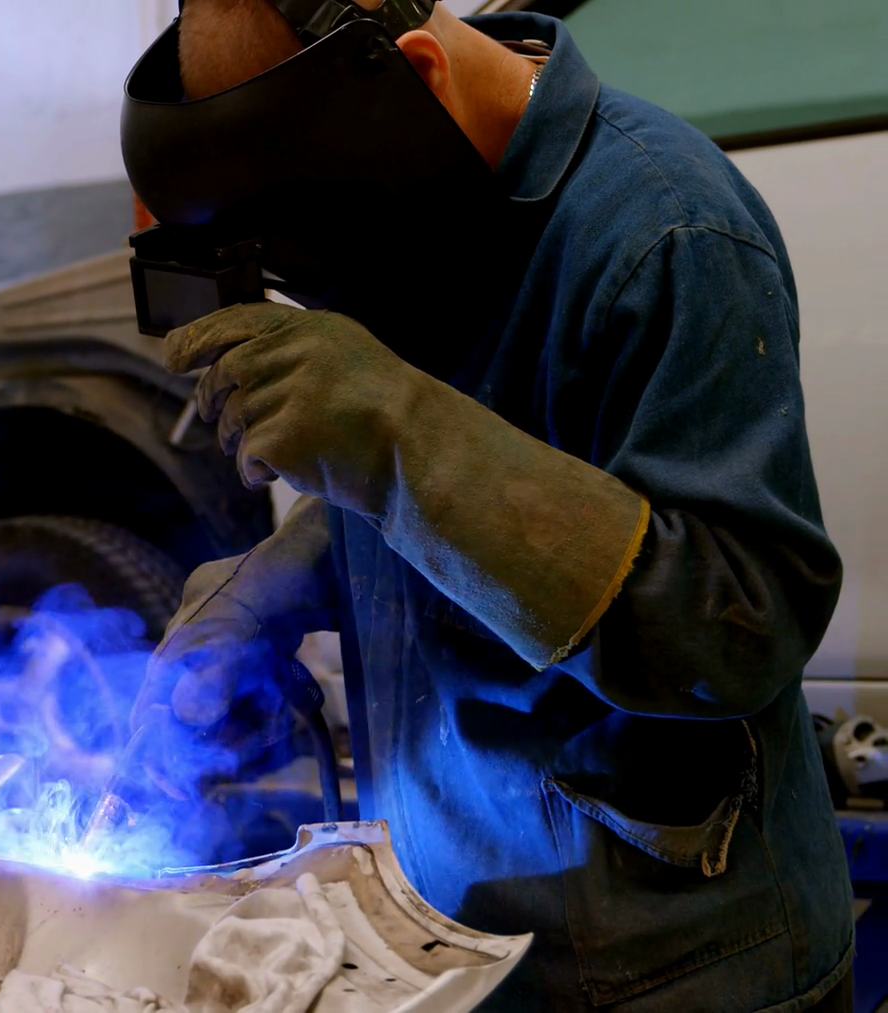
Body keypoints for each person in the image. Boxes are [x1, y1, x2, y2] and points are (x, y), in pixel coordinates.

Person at [130, 1, 855, 1009]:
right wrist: (277, 585)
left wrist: (392, 429)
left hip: (671, 973)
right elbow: (445, 492)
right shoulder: (411, 188)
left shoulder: (667, 230)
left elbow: (736, 621)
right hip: (451, 945)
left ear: (421, 73)